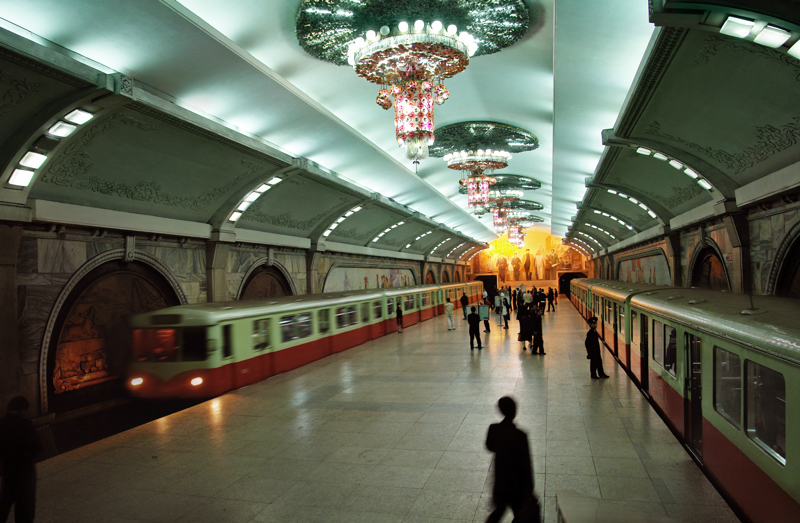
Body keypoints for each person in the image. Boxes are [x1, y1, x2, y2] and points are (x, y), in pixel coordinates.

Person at [485, 396, 537, 523]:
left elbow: (489, 446)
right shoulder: (521, 435)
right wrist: (529, 487)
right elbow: (526, 463)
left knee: (498, 512)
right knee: (521, 514)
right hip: (517, 485)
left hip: (500, 483)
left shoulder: (494, 429)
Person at [0, 396, 41, 523]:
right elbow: (37, 447)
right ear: (22, 409)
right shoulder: (26, 424)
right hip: (25, 470)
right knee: (25, 508)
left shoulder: (2, 424)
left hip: (9, 468)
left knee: (5, 503)